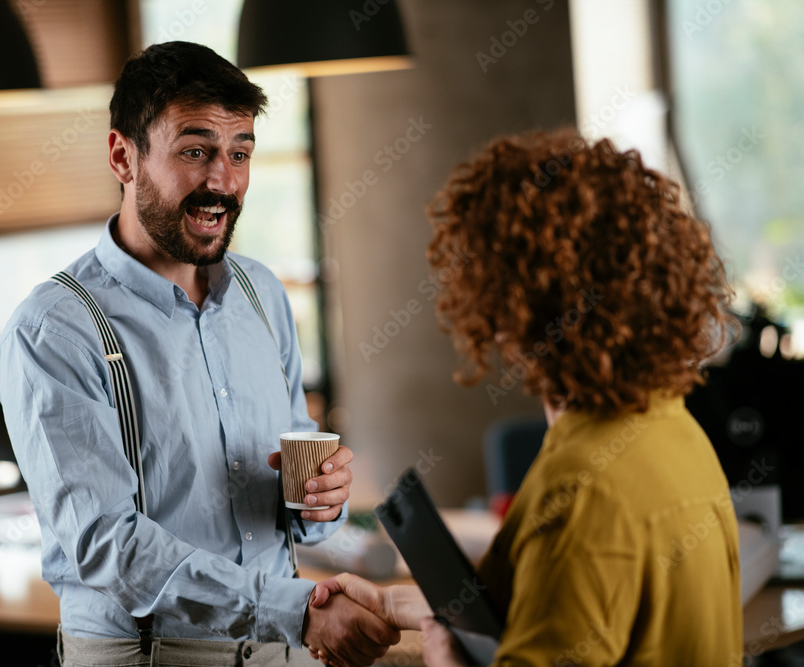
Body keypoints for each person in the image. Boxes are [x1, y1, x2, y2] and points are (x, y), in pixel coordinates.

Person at [0, 41, 399, 667]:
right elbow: (107, 546)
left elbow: (299, 505)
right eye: (195, 151)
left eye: (240, 154)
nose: (223, 181)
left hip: (281, 651)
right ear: (122, 157)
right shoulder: (56, 328)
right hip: (150, 655)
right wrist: (293, 610)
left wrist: (323, 499)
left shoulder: (261, 293)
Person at [311, 129, 743, 666]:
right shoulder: (670, 428)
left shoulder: (583, 488)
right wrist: (393, 602)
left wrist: (444, 657)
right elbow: (541, 605)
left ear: (516, 302)